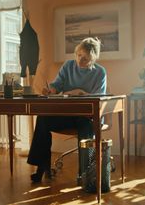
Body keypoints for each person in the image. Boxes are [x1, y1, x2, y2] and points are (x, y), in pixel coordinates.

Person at [27, 37, 107, 183]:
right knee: (43, 119)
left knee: (86, 127)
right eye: (79, 55)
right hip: (68, 113)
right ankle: (42, 167)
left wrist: (83, 93)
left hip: (88, 116)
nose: (80, 60)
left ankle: (85, 173)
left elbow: (100, 96)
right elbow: (57, 84)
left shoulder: (100, 72)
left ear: (93, 59)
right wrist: (50, 90)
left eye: (86, 58)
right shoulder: (68, 65)